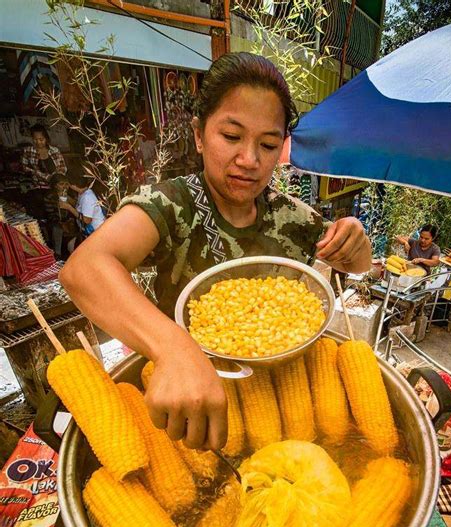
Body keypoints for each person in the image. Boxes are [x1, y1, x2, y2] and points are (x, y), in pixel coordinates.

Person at [60, 52, 372, 451]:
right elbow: (84, 268)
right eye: (231, 136)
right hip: (190, 410)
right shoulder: (171, 205)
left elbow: (358, 265)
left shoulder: (293, 217)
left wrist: (356, 242)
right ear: (198, 135)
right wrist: (173, 347)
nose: (249, 160)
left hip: (281, 404)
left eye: (269, 144)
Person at [21, 124, 67, 221]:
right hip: (38, 188)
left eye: (41, 139)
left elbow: (63, 168)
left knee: (58, 215)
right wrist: (37, 173)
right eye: (35, 139)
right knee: (40, 215)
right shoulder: (28, 151)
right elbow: (25, 167)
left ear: (46, 138)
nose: (38, 142)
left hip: (55, 187)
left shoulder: (54, 151)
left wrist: (54, 179)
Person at [44, 173, 79, 259]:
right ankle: (58, 255)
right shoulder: (50, 196)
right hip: (57, 221)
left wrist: (67, 198)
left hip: (71, 220)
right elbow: (50, 214)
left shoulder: (71, 193)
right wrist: (61, 222)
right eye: (61, 184)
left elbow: (77, 207)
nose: (65, 186)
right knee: (57, 229)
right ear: (55, 185)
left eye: (66, 184)